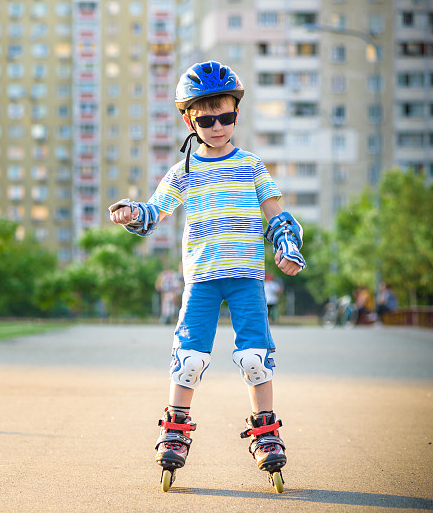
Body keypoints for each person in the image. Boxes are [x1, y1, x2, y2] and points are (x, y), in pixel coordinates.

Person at [109, 61, 305, 492]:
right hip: (201, 277)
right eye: (206, 118)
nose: (217, 126)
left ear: (237, 113)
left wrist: (287, 247)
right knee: (190, 358)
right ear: (189, 119)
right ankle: (175, 429)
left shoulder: (252, 165)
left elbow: (277, 215)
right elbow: (153, 211)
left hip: (247, 277)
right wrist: (130, 214)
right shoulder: (185, 171)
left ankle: (266, 431)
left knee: (255, 357)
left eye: (226, 116)